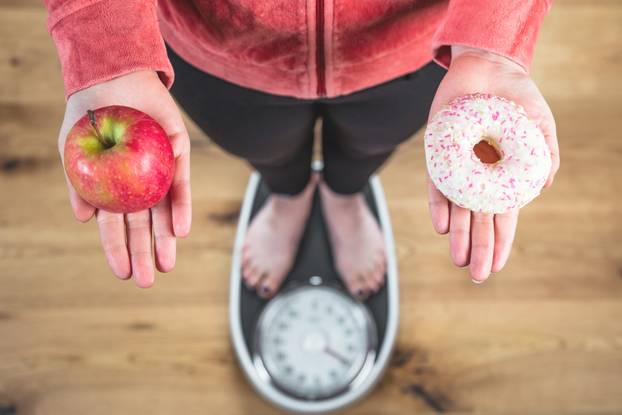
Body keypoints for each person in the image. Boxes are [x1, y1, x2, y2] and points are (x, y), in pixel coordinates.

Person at [44, 0, 559, 298]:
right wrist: (104, 49)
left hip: (414, 46)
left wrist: (494, 40)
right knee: (260, 145)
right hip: (222, 49)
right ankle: (287, 194)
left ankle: (344, 195)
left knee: (371, 142)